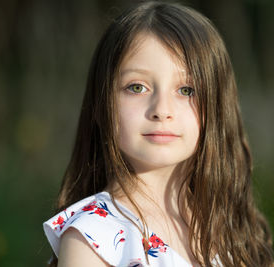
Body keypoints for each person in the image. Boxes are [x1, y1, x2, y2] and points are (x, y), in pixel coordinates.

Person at [43, 1, 274, 266]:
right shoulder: (94, 238)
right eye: (137, 87)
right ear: (101, 102)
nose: (162, 110)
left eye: (187, 90)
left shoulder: (229, 229)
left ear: (218, 106)